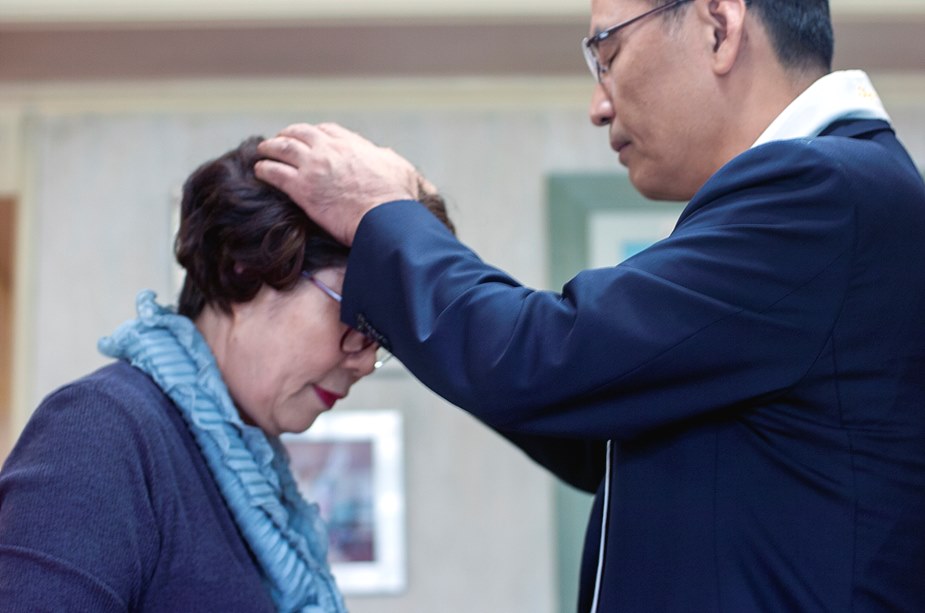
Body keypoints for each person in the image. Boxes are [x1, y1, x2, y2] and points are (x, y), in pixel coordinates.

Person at [254, 1, 925, 611]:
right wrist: (416, 251)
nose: (598, 107)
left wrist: (379, 213)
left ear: (719, 27)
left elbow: (547, 358)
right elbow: (591, 419)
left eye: (608, 55)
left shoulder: (822, 190)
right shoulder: (840, 197)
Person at [0, 137, 453, 611]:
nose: (363, 361)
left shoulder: (256, 485)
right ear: (244, 270)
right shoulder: (99, 430)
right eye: (356, 316)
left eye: (383, 337)